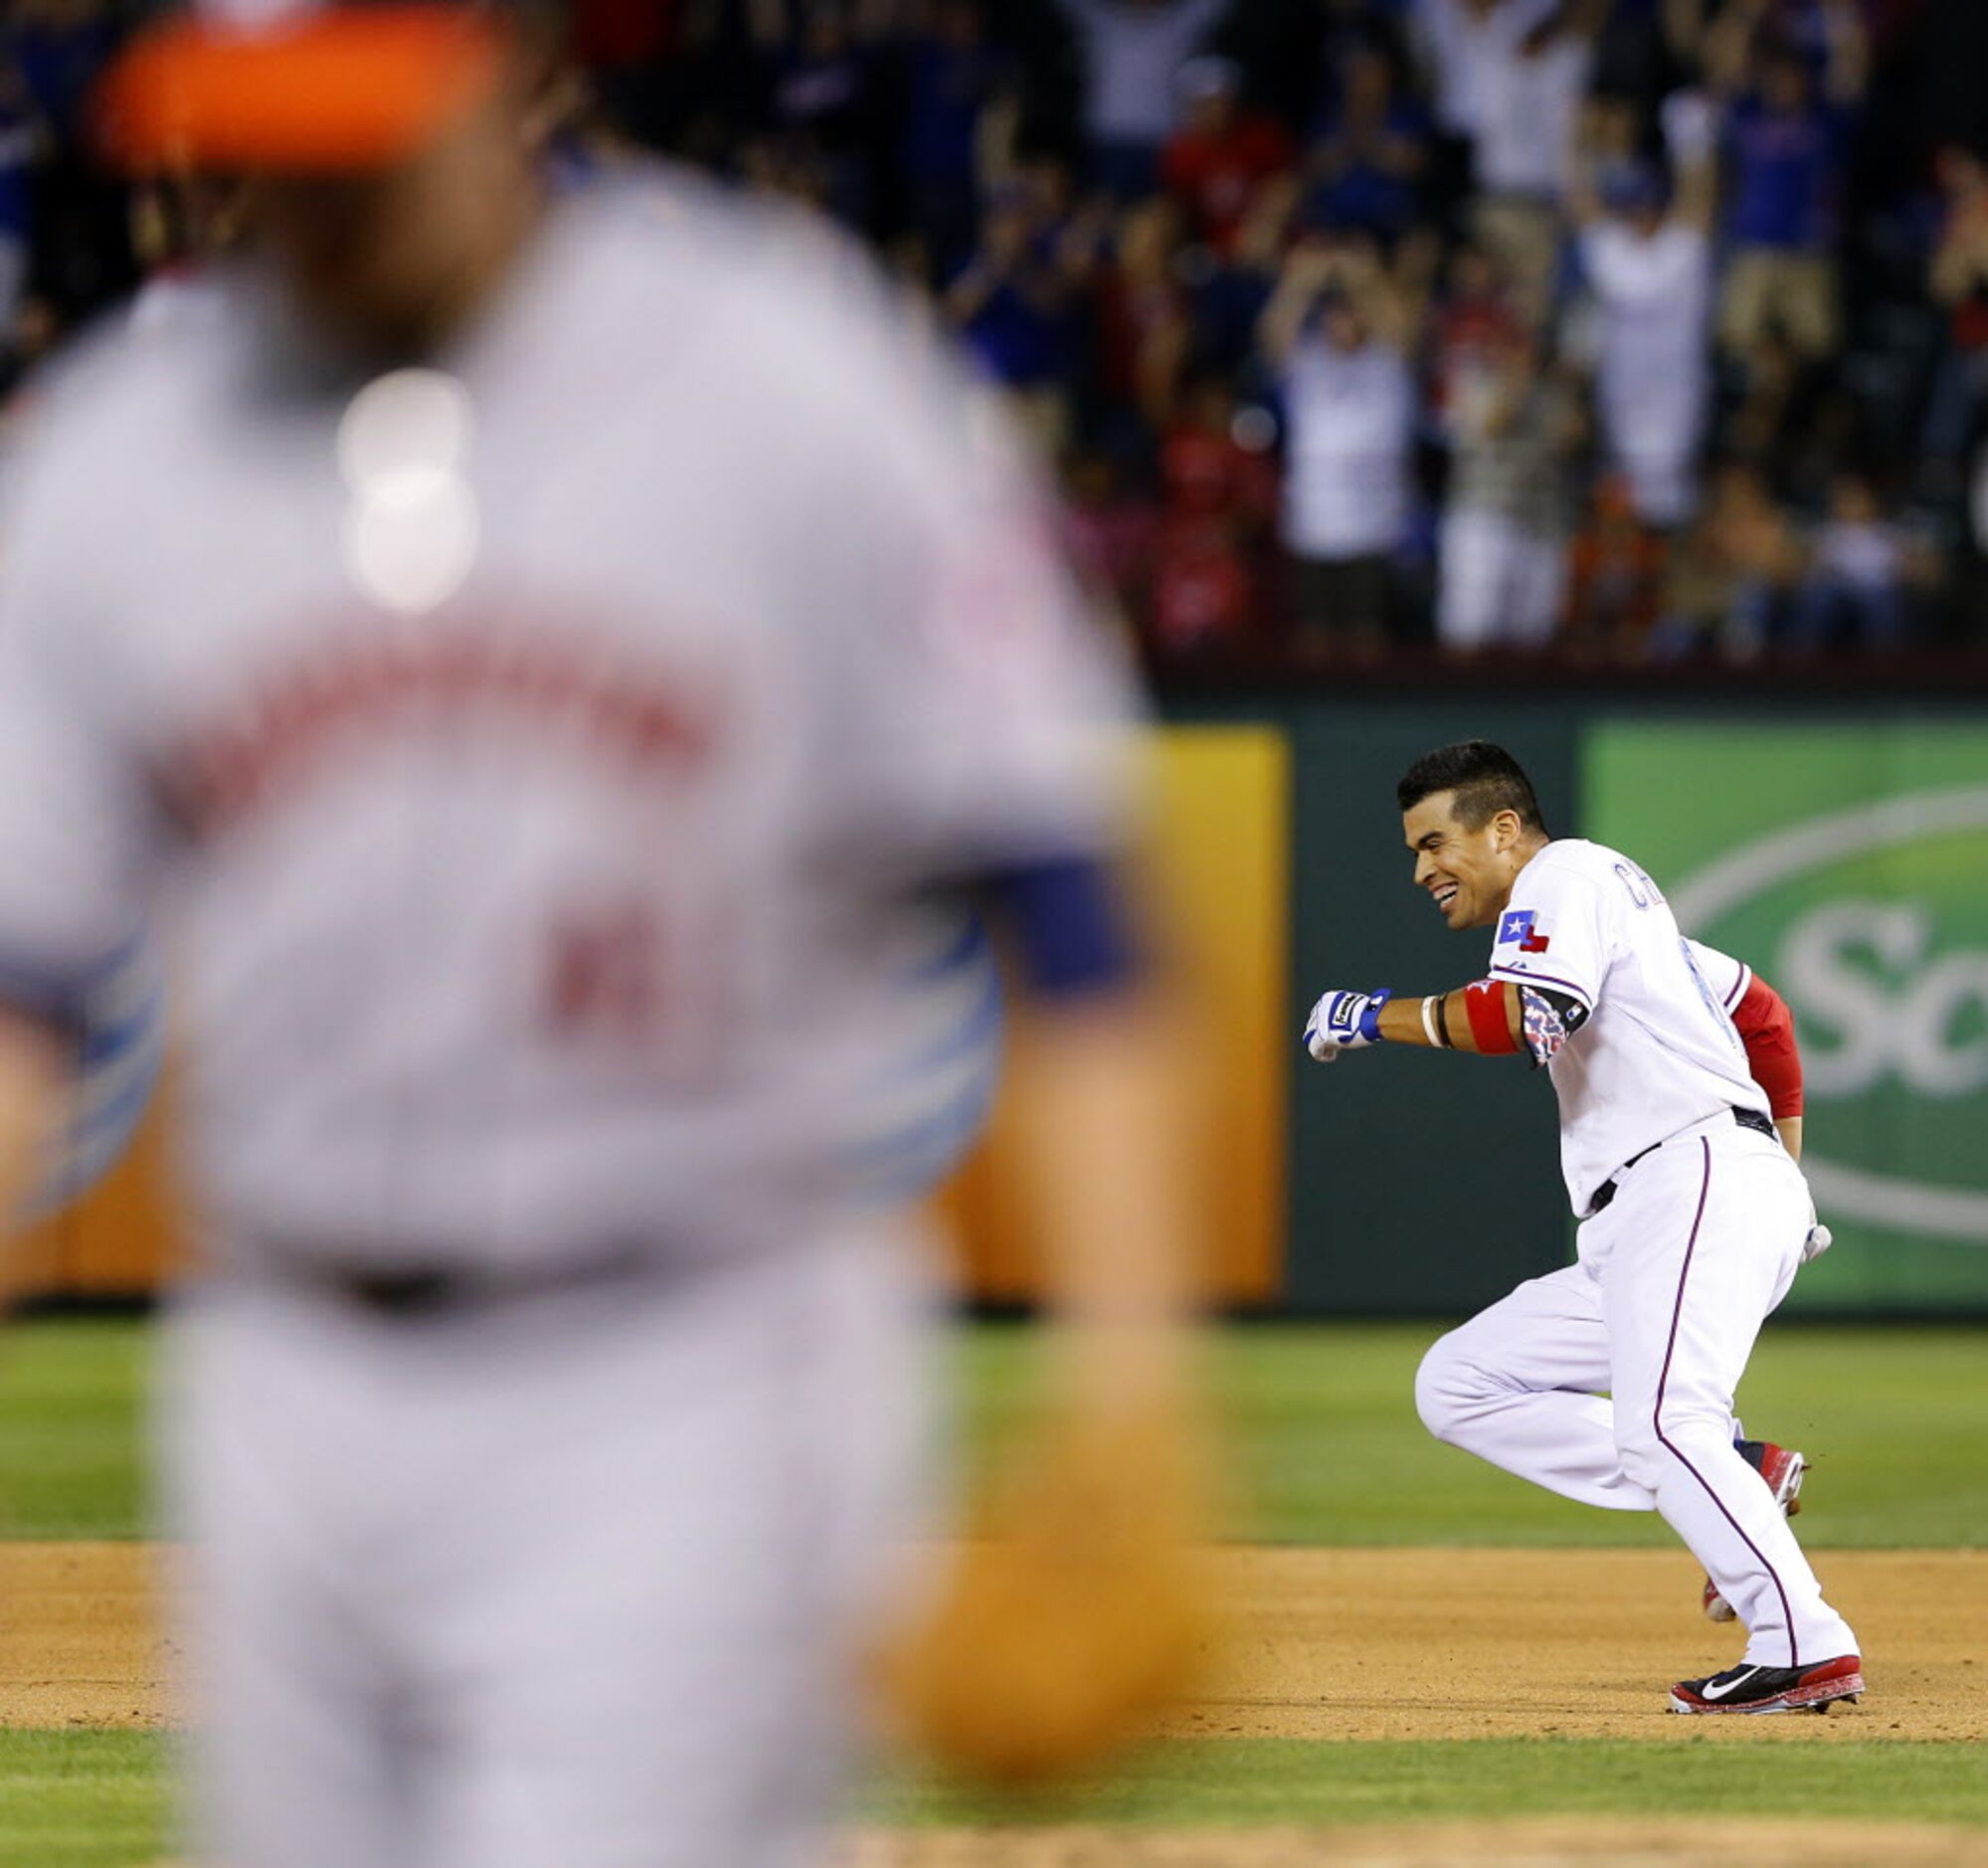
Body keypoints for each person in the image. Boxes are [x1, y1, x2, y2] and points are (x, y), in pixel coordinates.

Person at [0, 4, 1211, 1864]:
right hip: (278, 1373)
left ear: (509, 70)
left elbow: (1062, 891)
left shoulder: (776, 377)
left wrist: (1129, 1391)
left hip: (689, 1363)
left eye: (356, 141)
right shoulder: (118, 460)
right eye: (260, 144)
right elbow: (23, 995)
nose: (307, 201)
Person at [1301, 740, 1864, 1717]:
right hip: (1655, 1212)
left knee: (1662, 1422)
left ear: (1505, 829)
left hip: (1688, 1180)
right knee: (1461, 1382)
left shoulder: (1564, 876)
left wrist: (1371, 1015)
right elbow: (1762, 1016)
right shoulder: (1618, 913)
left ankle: (1803, 1645)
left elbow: (1522, 1015)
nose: (1421, 869)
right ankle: (1736, 1473)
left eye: (1436, 842)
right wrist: (1785, 1167)